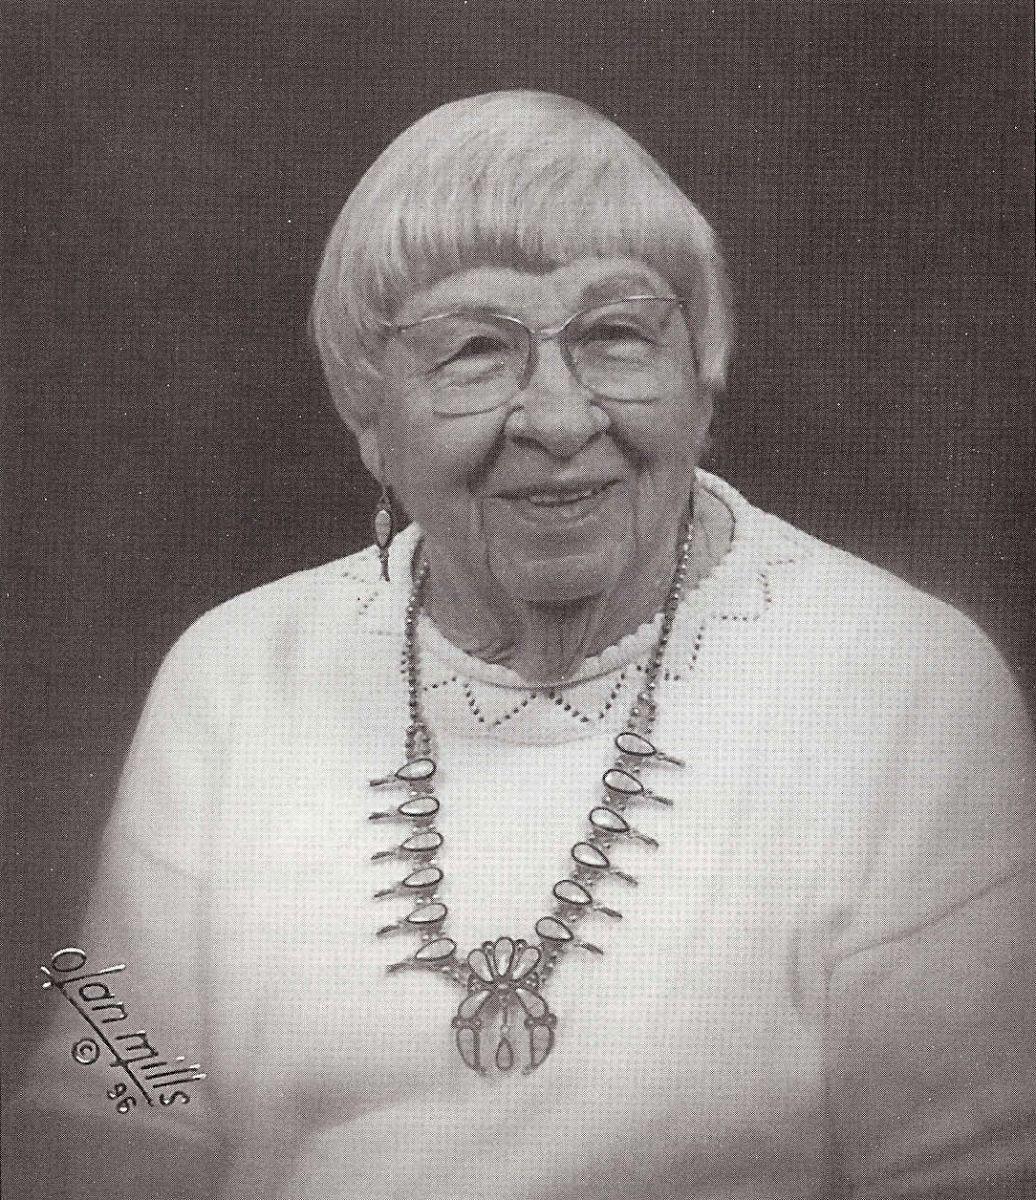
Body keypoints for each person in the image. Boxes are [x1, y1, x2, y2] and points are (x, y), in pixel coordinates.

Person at [10, 91, 1034, 1200]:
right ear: (368, 415)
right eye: (474, 351)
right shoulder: (234, 674)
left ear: (702, 377)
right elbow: (117, 1089)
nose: (557, 417)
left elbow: (967, 1170)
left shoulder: (900, 685)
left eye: (615, 335)